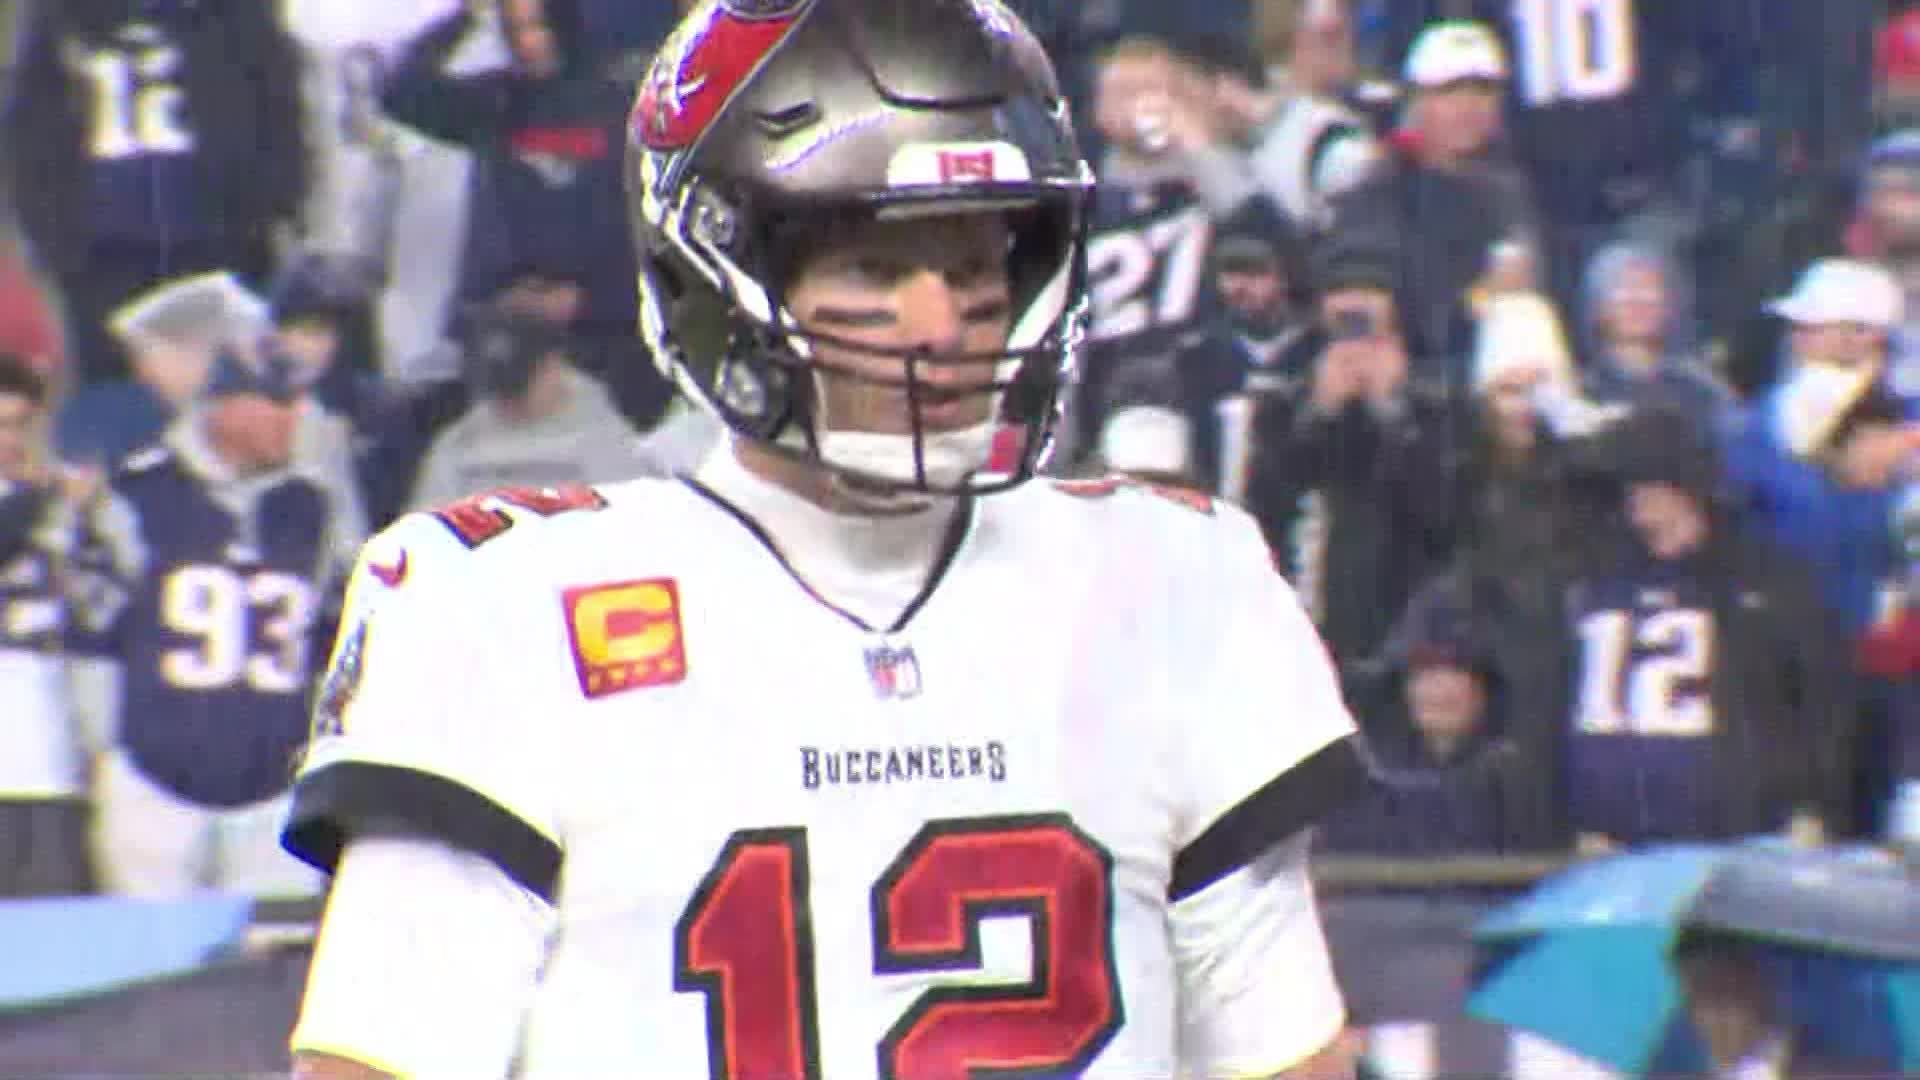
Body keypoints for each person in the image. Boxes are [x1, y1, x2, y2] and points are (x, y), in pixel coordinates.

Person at [281, 1, 1366, 1077]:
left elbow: (1284, 1058)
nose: (941, 325)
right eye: (877, 269)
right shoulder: (506, 608)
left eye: (977, 266)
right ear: (717, 268)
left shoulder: (1171, 584)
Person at [69, 347, 343, 899]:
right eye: (277, 402)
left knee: (278, 968)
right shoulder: (136, 495)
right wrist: (107, 759)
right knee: (147, 972)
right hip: (154, 795)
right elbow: (93, 638)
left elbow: (335, 647)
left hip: (275, 801)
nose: (294, 419)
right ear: (224, 406)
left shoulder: (316, 506)